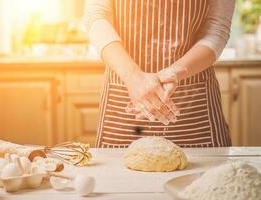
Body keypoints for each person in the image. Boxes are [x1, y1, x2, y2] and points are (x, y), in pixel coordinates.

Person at [84, 0, 235, 148]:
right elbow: (96, 16)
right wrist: (132, 77)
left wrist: (175, 72)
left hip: (193, 110)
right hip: (123, 107)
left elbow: (217, 28)